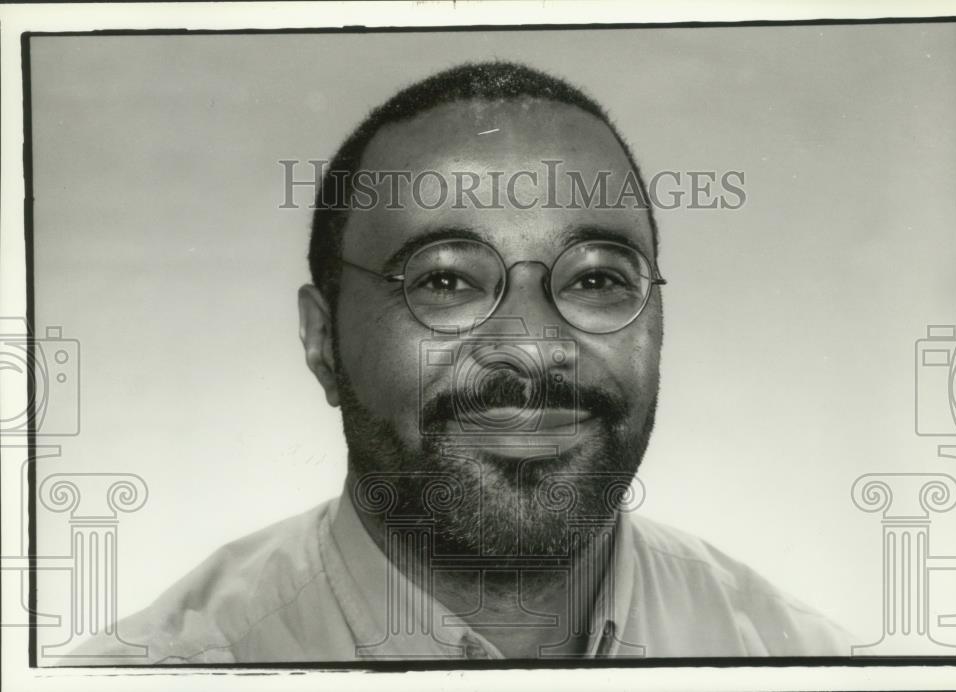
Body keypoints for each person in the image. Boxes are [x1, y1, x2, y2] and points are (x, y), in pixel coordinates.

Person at [65, 61, 850, 664]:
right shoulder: (168, 672)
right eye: (445, 280)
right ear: (322, 340)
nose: (536, 346)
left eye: (597, 279)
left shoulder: (803, 660)